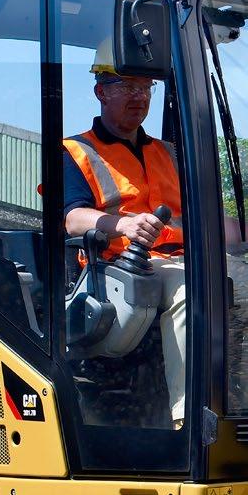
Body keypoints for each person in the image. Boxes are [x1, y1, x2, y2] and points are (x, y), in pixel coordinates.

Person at [63, 40, 186, 426]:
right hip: (119, 269)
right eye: (127, 86)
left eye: (146, 87)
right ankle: (191, 416)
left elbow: (206, 220)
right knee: (193, 292)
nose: (139, 96)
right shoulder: (75, 151)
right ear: (101, 91)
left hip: (180, 259)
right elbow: (71, 218)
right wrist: (124, 225)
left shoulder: (168, 153)